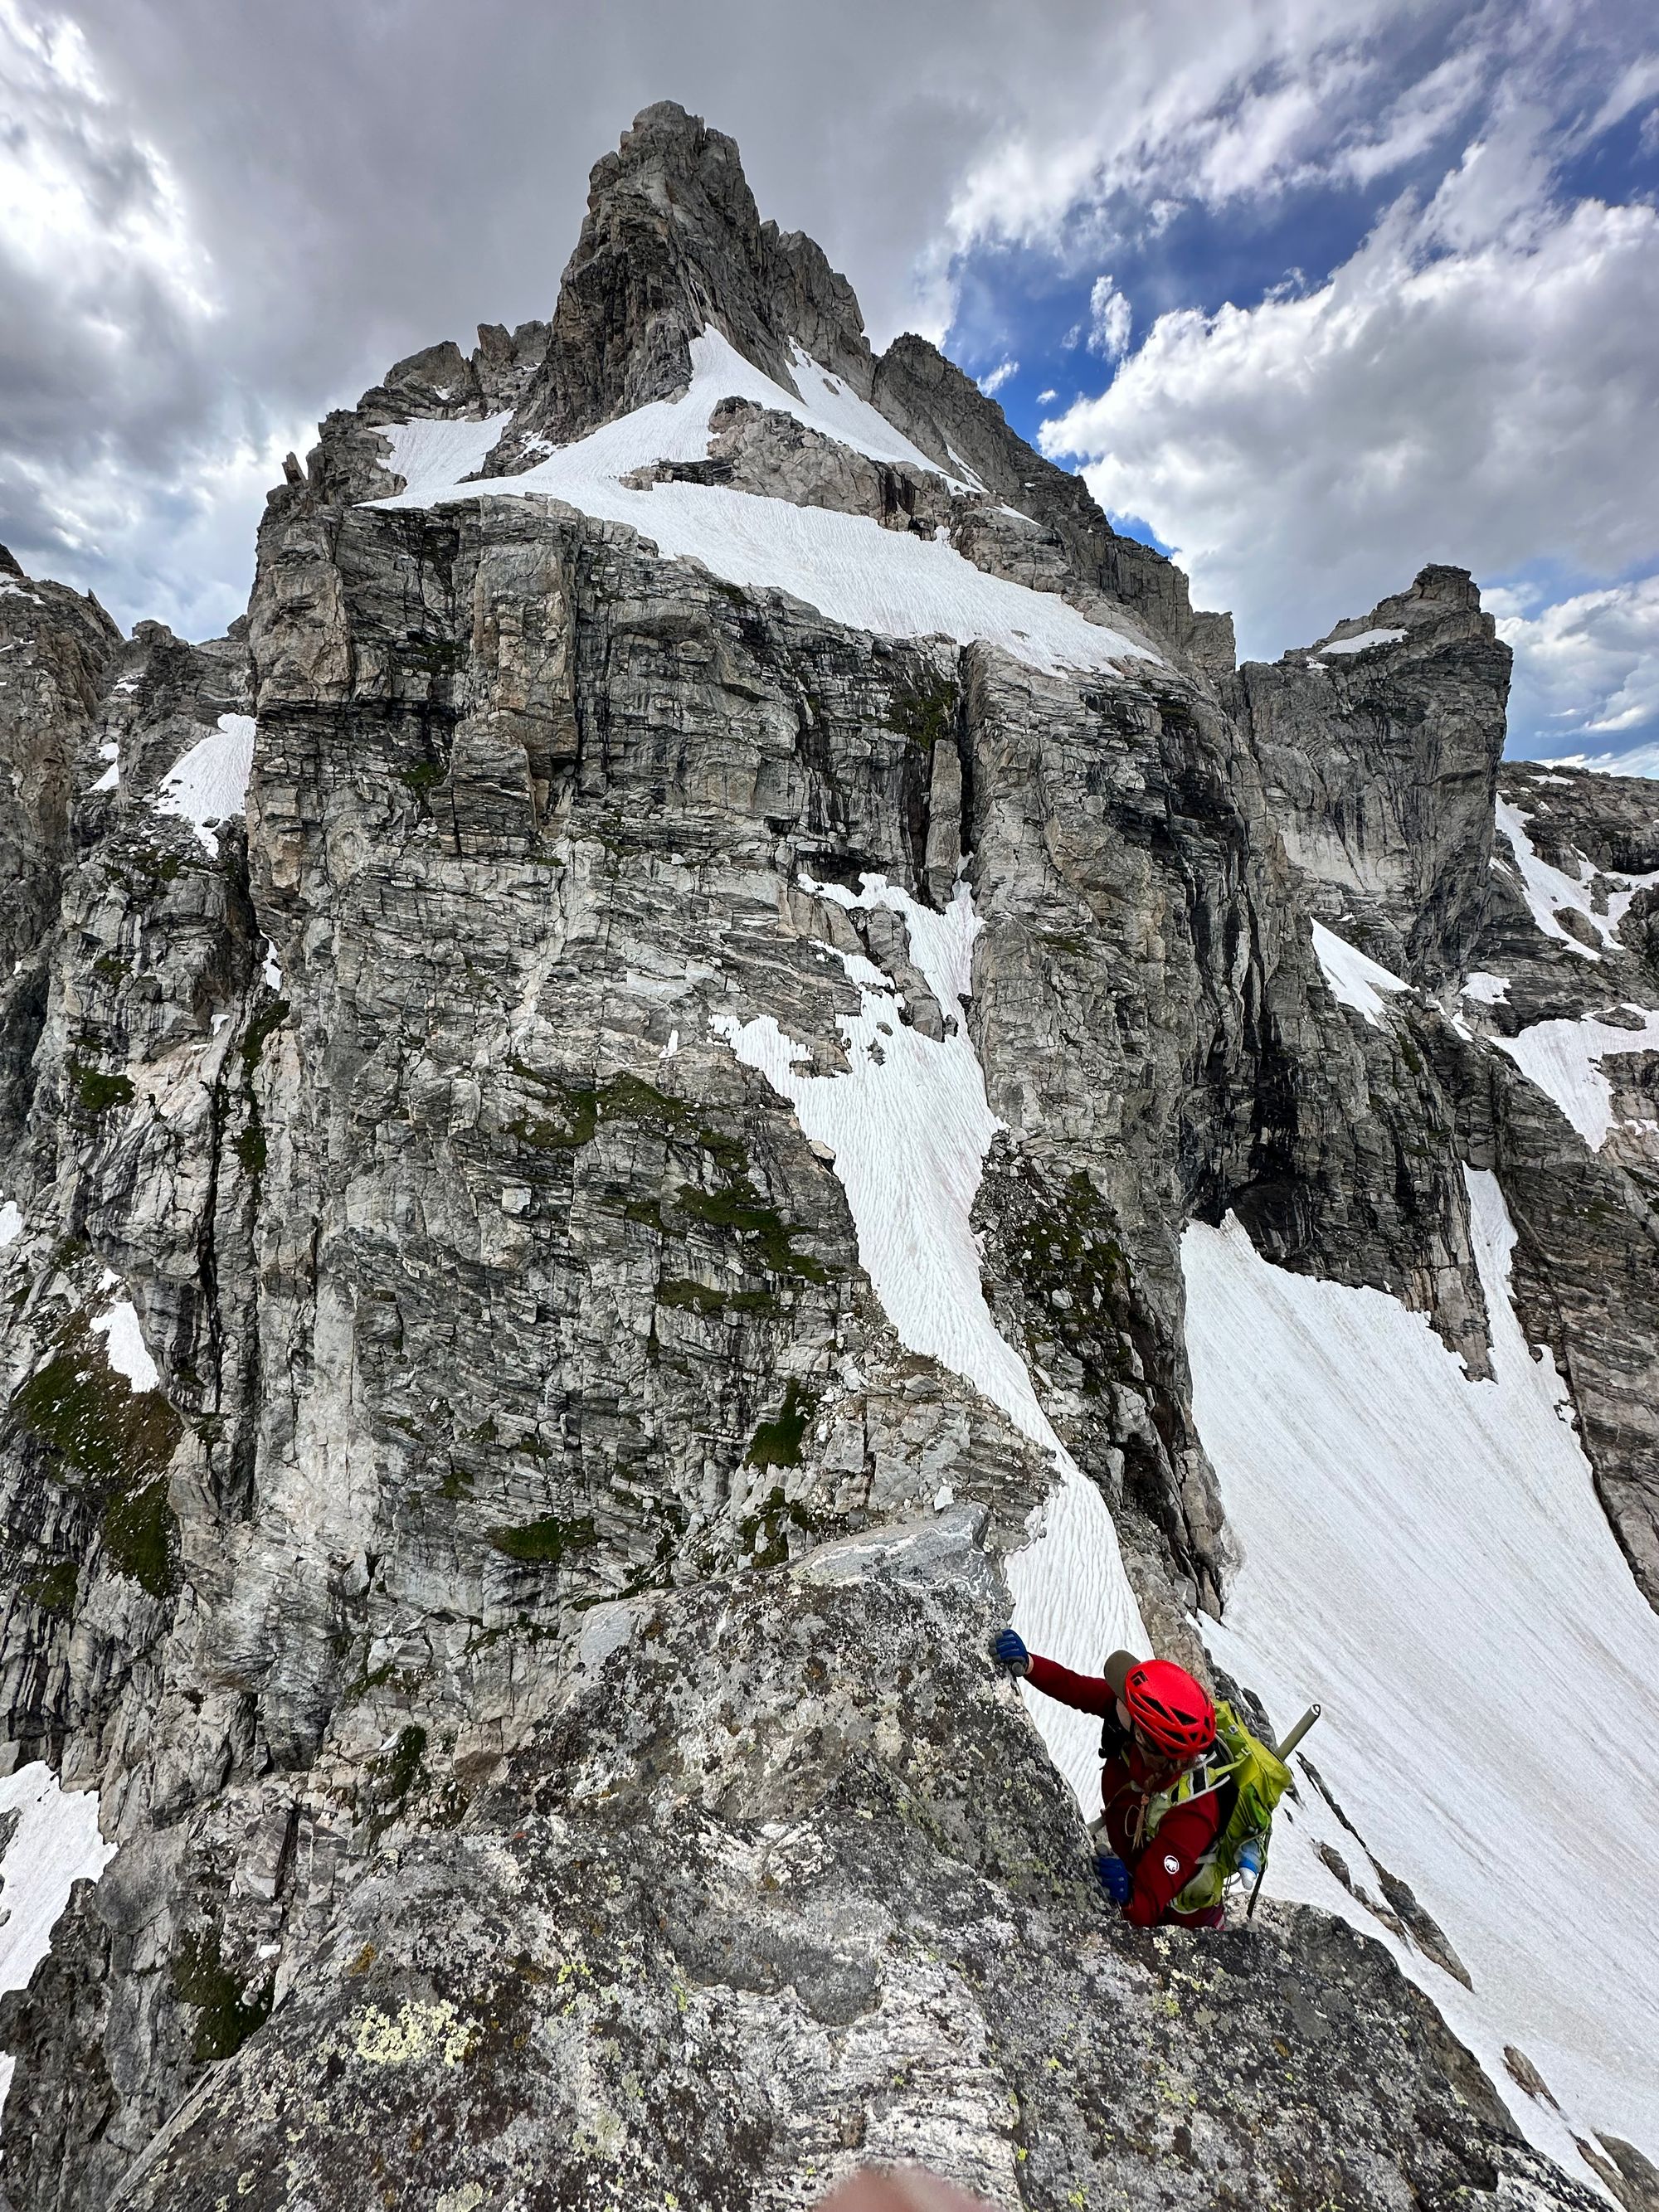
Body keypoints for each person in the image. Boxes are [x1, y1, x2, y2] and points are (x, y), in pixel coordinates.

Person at [993, 1630, 1228, 1930]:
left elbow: (1147, 1909)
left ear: (1146, 1737)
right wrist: (1029, 1665)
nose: (1115, 1697)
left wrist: (1126, 1892)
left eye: (1124, 1701)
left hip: (1181, 1922)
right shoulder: (1133, 1719)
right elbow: (1074, 1687)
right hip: (1128, 1855)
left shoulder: (1193, 1815)